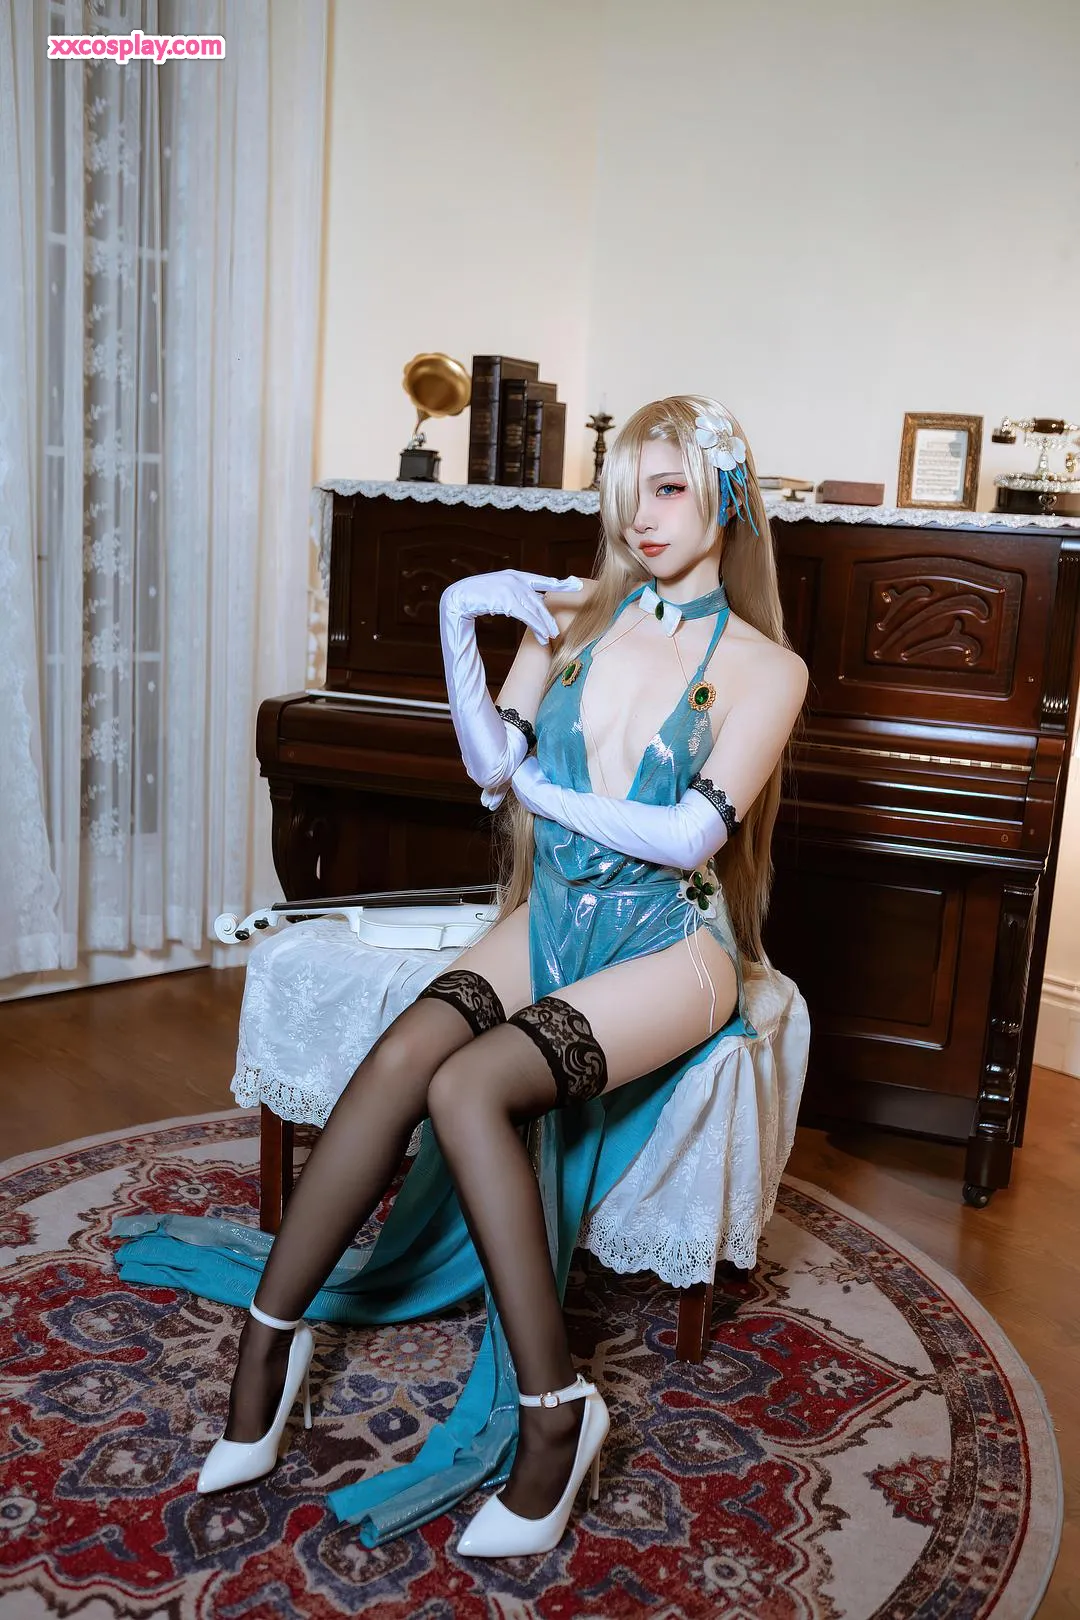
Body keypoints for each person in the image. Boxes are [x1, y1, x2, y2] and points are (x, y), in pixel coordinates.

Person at [110, 393, 807, 1559]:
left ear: (728, 498)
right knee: (401, 1057)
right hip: (554, 916)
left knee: (470, 1086)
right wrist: (455, 615)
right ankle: (270, 1341)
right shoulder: (576, 617)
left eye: (670, 487)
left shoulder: (766, 667)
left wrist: (532, 789)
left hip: (667, 945)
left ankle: (555, 1412)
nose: (642, 515)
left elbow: (690, 835)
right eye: (627, 491)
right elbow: (490, 762)